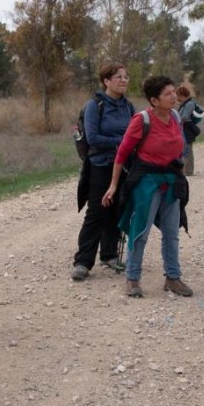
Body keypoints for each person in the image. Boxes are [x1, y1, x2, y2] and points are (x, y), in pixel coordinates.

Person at [102, 75, 192, 298]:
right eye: (168, 94)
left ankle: (173, 277)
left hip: (171, 181)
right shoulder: (142, 120)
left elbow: (181, 148)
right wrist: (113, 185)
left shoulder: (175, 117)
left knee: (171, 233)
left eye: (174, 92)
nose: (174, 96)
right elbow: (122, 153)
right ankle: (132, 279)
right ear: (154, 100)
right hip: (146, 183)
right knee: (140, 232)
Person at [71, 63, 136, 281]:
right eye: (118, 77)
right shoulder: (95, 105)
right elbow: (92, 138)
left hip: (124, 166)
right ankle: (83, 261)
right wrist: (122, 143)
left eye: (126, 77)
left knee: (117, 210)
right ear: (106, 81)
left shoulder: (128, 107)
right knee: (97, 211)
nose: (124, 80)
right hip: (100, 165)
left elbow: (137, 135)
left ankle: (109, 255)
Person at [175, 85, 201, 176]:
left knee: (188, 150)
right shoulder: (183, 104)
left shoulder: (189, 104)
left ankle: (189, 171)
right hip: (183, 129)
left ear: (182, 95)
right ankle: (184, 170)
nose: (176, 97)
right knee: (183, 150)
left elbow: (185, 117)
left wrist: (174, 120)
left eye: (178, 95)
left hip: (188, 129)